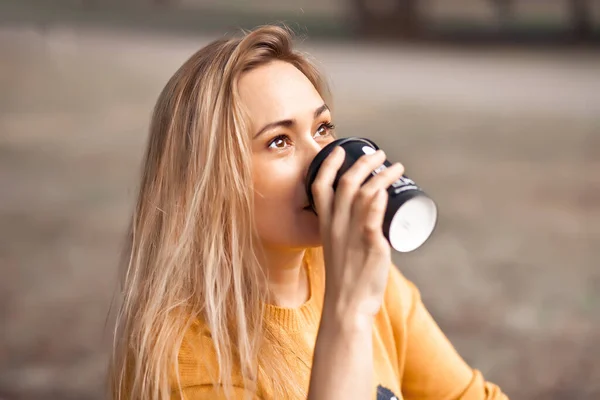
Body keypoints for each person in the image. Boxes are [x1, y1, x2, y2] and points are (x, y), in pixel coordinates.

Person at [109, 25, 508, 400]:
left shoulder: (363, 277)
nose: (326, 159)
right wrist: (349, 312)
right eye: (279, 141)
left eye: (322, 128)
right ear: (206, 180)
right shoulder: (183, 360)